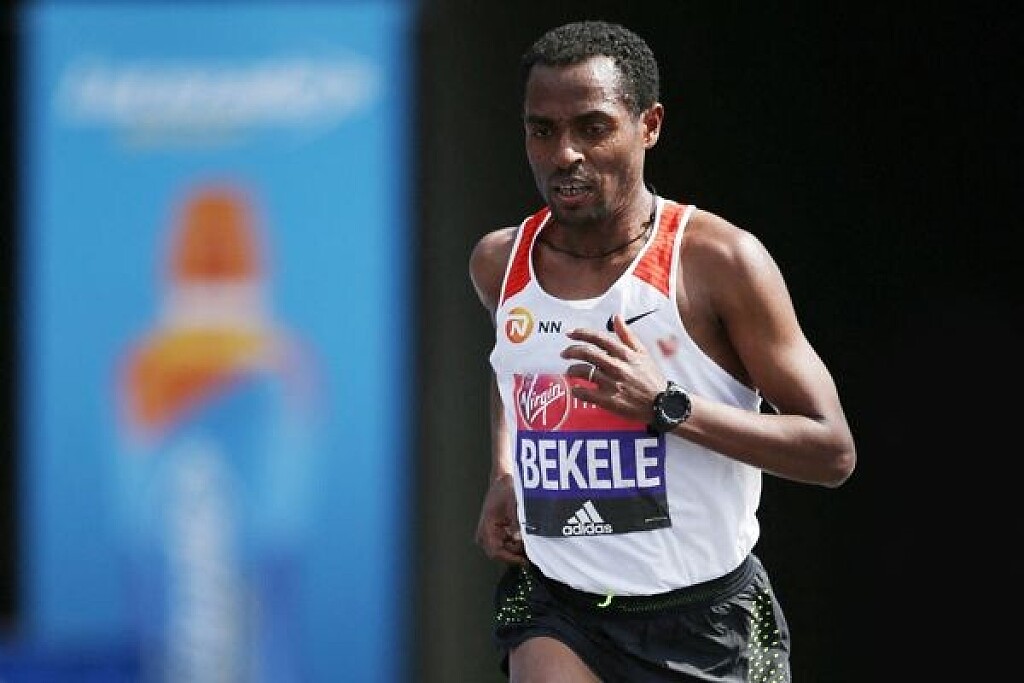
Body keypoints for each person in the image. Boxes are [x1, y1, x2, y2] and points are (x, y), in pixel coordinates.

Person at [468, 19, 857, 683]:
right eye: (543, 130)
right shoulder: (499, 263)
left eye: (592, 127)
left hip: (707, 620)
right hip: (560, 608)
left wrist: (666, 405)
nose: (565, 153)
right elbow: (512, 368)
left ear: (648, 125)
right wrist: (504, 471)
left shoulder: (717, 261)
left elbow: (831, 450)